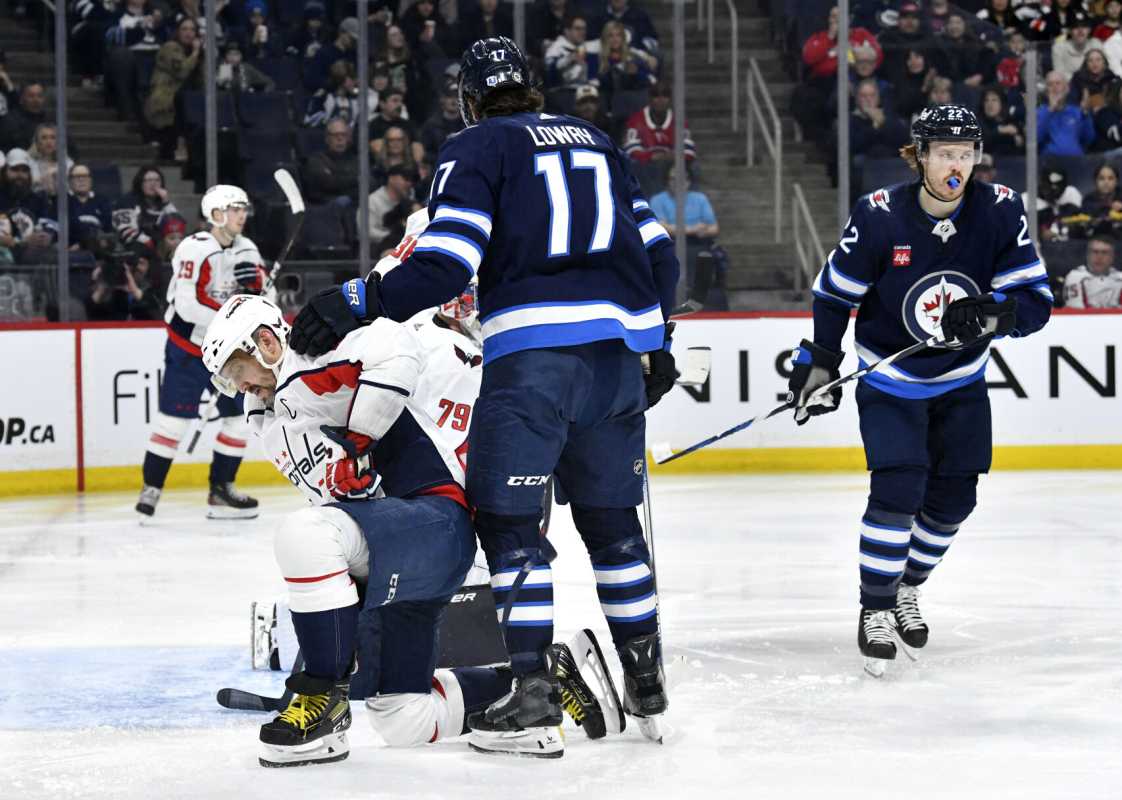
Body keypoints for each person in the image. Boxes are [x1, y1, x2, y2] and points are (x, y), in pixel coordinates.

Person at [285, 36, 680, 757]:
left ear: (469, 98)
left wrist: (356, 298)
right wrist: (657, 341)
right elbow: (661, 254)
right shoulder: (596, 141)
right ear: (531, 87)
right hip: (616, 362)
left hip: (533, 363)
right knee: (615, 529)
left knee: (510, 527)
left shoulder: (476, 148)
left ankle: (531, 695)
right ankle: (647, 684)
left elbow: (444, 265)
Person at [200, 291, 618, 766]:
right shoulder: (270, 418)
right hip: (390, 546)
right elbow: (339, 510)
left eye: (238, 370)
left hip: (434, 521)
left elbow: (396, 345)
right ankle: (546, 682)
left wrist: (361, 439)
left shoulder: (310, 361)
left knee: (304, 536)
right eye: (229, 379)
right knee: (403, 718)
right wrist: (332, 641)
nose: (239, 386)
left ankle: (323, 705)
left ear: (266, 342)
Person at [788, 105, 1052, 678]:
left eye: (966, 154)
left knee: (956, 499)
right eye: (946, 154)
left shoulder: (1002, 210)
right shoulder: (880, 215)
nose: (957, 165)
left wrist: (990, 318)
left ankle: (906, 587)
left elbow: (1036, 304)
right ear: (921, 156)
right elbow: (835, 294)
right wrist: (822, 361)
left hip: (961, 380)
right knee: (898, 491)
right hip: (890, 377)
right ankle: (875, 608)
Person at [135, 184, 267, 522]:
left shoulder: (248, 249)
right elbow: (187, 305)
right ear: (217, 213)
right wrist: (235, 315)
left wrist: (258, 292)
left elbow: (266, 297)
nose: (242, 215)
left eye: (244, 209)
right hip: (188, 349)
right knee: (173, 423)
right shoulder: (195, 249)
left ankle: (221, 490)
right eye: (235, 208)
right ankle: (151, 488)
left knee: (239, 420)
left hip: (227, 355)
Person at [113, 165, 178, 250]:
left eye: (157, 180)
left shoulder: (162, 202)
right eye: (148, 180)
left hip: (162, 247)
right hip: (137, 246)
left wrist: (166, 202)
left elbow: (176, 226)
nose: (153, 184)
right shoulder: (126, 201)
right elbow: (127, 232)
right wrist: (152, 243)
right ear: (140, 183)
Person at [301, 119, 360, 206]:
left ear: (348, 138)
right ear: (327, 138)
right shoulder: (316, 160)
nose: (340, 139)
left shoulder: (355, 159)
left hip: (353, 202)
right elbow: (329, 183)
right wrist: (356, 179)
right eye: (335, 135)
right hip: (324, 206)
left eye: (343, 135)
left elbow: (369, 183)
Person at [1037, 70, 1095, 156]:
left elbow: (1089, 139)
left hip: (1077, 161)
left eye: (1058, 83)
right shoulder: (1039, 112)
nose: (1054, 87)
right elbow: (1035, 139)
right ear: (1046, 91)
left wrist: (1085, 113)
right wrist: (1050, 110)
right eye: (1050, 84)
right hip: (1050, 163)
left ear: (1067, 89)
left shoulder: (1076, 111)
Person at [1063, 233, 1122, 306]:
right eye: (1095, 252)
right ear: (1088, 255)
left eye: (1104, 252)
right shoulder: (1075, 277)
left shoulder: (1120, 278)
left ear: (1112, 257)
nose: (1099, 257)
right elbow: (1075, 311)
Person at [67, 163, 115, 247]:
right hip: (70, 251)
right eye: (77, 176)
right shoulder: (62, 201)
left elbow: (109, 230)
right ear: (70, 181)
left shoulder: (102, 201)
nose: (81, 179)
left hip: (98, 248)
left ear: (91, 180)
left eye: (85, 176)